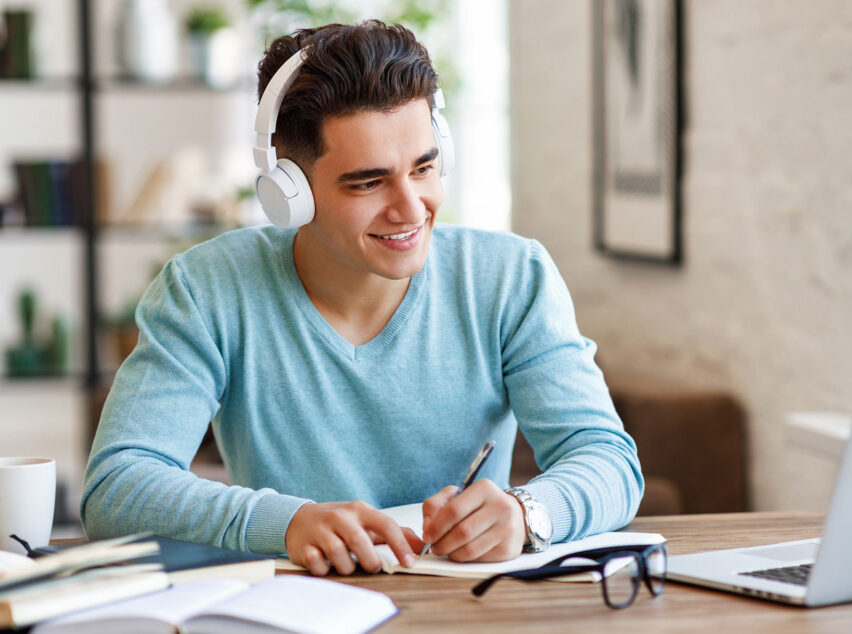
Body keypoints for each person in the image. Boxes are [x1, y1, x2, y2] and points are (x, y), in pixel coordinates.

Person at [81, 20, 643, 576]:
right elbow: (118, 488)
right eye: (368, 182)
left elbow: (608, 459)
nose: (410, 207)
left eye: (424, 168)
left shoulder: (511, 277)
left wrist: (529, 513)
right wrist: (289, 522)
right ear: (289, 193)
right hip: (295, 608)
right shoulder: (207, 290)